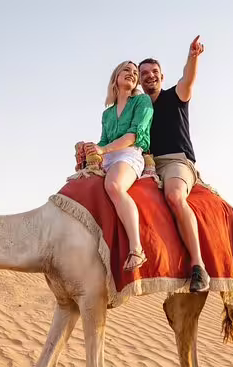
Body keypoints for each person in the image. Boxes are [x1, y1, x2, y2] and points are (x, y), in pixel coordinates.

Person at [138, 35, 210, 293]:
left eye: (154, 72)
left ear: (162, 76)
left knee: (174, 196)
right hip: (146, 165)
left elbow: (188, 79)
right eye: (144, 73)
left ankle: (198, 266)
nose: (150, 76)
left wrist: (193, 57)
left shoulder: (176, 95)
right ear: (138, 79)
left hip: (176, 162)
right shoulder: (139, 111)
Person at [77, 60, 154, 271]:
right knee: (79, 187)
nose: (132, 73)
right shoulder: (107, 114)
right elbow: (103, 141)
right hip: (109, 155)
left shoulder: (142, 102)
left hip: (130, 154)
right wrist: (91, 149)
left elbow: (133, 136)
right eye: (126, 70)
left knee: (114, 186)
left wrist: (103, 150)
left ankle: (137, 249)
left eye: (135, 72)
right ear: (116, 77)